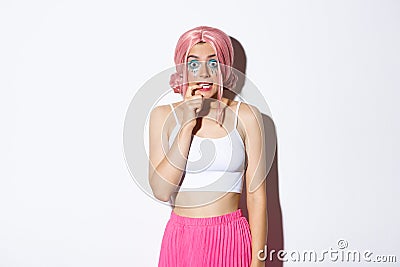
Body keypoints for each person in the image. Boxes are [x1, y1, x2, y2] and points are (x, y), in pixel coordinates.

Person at [148, 26, 267, 267]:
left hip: (230, 237)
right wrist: (187, 126)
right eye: (193, 64)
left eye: (213, 63)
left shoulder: (246, 116)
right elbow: (161, 191)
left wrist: (259, 262)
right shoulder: (163, 116)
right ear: (183, 69)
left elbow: (256, 197)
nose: (204, 73)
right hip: (181, 241)